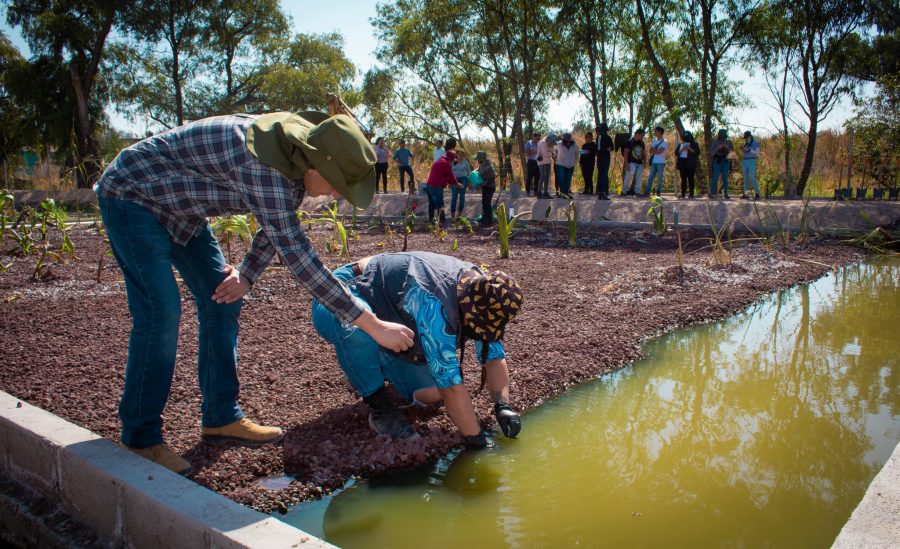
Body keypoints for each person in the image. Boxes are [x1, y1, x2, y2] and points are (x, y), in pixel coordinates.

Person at [94, 112, 415, 474]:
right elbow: (299, 258)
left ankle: (220, 417)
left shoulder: (294, 159)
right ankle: (140, 437)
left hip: (182, 210)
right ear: (315, 164)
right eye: (338, 183)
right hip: (133, 196)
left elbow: (275, 224)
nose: (337, 193)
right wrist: (372, 324)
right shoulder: (265, 164)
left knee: (223, 299)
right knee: (160, 312)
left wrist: (246, 275)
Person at [311, 252, 524, 446]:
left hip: (389, 309)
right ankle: (379, 410)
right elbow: (450, 384)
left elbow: (494, 356)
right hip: (341, 293)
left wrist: (503, 406)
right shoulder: (436, 305)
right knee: (356, 331)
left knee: (430, 394)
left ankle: (369, 368)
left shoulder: (485, 292)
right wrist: (477, 440)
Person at [426, 137, 460, 226]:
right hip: (436, 186)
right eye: (453, 160)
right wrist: (457, 184)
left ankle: (431, 221)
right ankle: (442, 222)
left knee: (432, 204)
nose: (453, 162)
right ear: (451, 159)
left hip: (429, 185)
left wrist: (452, 182)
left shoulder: (440, 160)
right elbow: (451, 177)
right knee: (439, 204)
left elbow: (447, 177)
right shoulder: (446, 164)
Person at [709, 129, 735, 198]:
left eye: (724, 134)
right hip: (717, 160)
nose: (723, 135)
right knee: (715, 177)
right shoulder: (715, 142)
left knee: (725, 178)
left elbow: (732, 152)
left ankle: (726, 193)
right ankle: (710, 193)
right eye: (721, 134)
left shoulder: (729, 142)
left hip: (726, 161)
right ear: (719, 134)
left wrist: (727, 147)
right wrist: (718, 147)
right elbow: (711, 153)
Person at [676, 131, 701, 199]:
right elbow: (676, 153)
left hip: (691, 163)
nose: (686, 138)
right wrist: (682, 149)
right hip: (682, 163)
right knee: (683, 179)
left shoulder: (694, 144)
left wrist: (689, 148)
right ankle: (683, 193)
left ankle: (691, 194)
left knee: (691, 179)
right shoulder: (681, 144)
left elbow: (697, 153)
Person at [622, 128, 646, 196]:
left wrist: (645, 162)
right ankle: (624, 191)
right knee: (629, 174)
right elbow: (625, 153)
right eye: (642, 135)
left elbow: (644, 153)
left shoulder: (642, 142)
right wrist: (626, 164)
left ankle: (637, 191)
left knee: (639, 177)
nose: (642, 137)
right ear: (637, 134)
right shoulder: (629, 141)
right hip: (631, 162)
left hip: (639, 162)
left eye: (643, 136)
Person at [476, 150, 497, 226]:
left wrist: (480, 185)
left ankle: (489, 220)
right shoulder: (481, 164)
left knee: (487, 203)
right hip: (485, 186)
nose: (478, 161)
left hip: (490, 187)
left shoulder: (489, 167)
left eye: (478, 159)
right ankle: (485, 218)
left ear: (482, 159)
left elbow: (490, 179)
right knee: (484, 202)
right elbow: (479, 171)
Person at [555, 133, 579, 199]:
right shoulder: (559, 144)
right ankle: (562, 193)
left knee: (568, 180)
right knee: (561, 179)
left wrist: (574, 162)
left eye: (569, 139)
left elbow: (577, 153)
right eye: (566, 139)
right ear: (563, 139)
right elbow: (552, 149)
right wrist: (554, 157)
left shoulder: (574, 145)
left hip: (570, 165)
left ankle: (566, 193)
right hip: (560, 165)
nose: (567, 140)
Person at [645, 126, 667, 196]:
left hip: (661, 162)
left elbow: (659, 152)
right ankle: (647, 191)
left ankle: (658, 192)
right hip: (654, 161)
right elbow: (650, 151)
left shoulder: (665, 141)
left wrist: (654, 150)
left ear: (660, 132)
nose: (654, 132)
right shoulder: (654, 140)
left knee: (659, 177)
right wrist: (655, 150)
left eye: (655, 131)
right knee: (650, 177)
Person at [451, 150, 472, 219]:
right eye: (458, 154)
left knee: (462, 197)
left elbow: (469, 173)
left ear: (463, 155)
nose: (460, 156)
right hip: (455, 179)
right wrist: (449, 182)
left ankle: (459, 215)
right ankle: (452, 216)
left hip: (463, 179)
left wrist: (469, 182)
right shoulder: (453, 161)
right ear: (456, 155)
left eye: (461, 154)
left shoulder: (465, 162)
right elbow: (450, 172)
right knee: (454, 197)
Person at [741, 131, 761, 200]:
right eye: (745, 138)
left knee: (752, 177)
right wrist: (743, 151)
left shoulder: (755, 143)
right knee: (745, 178)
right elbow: (743, 154)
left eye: (746, 138)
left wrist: (749, 150)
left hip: (752, 160)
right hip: (744, 161)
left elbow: (758, 153)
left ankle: (757, 194)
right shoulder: (745, 144)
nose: (746, 139)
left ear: (749, 137)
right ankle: (746, 194)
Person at [596, 123, 614, 200]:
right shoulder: (608, 138)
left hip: (600, 158)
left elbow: (598, 148)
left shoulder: (599, 137)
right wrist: (608, 149)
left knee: (601, 174)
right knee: (604, 175)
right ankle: (603, 192)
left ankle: (600, 192)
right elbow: (612, 147)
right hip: (605, 158)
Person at [537, 133, 557, 199]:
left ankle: (545, 193)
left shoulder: (551, 144)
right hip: (542, 163)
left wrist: (551, 153)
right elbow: (546, 154)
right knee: (543, 176)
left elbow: (553, 152)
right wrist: (551, 153)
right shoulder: (542, 142)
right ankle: (539, 193)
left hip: (548, 162)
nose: (552, 144)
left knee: (547, 178)